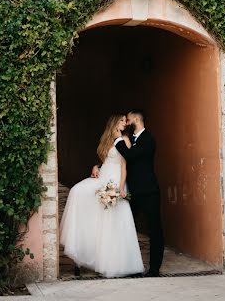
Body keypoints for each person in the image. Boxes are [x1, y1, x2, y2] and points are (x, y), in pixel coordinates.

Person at [59, 114, 144, 278]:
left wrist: (120, 187)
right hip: (102, 177)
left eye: (125, 121)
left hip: (115, 180)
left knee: (113, 221)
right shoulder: (106, 140)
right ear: (113, 123)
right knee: (77, 191)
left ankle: (116, 263)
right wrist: (96, 166)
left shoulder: (125, 140)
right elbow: (104, 161)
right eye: (121, 120)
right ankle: (79, 253)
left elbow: (125, 166)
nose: (124, 123)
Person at [92, 109, 164, 277]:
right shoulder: (130, 139)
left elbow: (130, 156)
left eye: (129, 119)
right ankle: (124, 263)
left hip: (148, 191)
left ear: (136, 120)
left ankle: (154, 269)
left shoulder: (148, 139)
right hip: (131, 193)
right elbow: (117, 160)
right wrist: (98, 166)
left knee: (155, 230)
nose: (127, 122)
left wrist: (118, 139)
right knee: (124, 227)